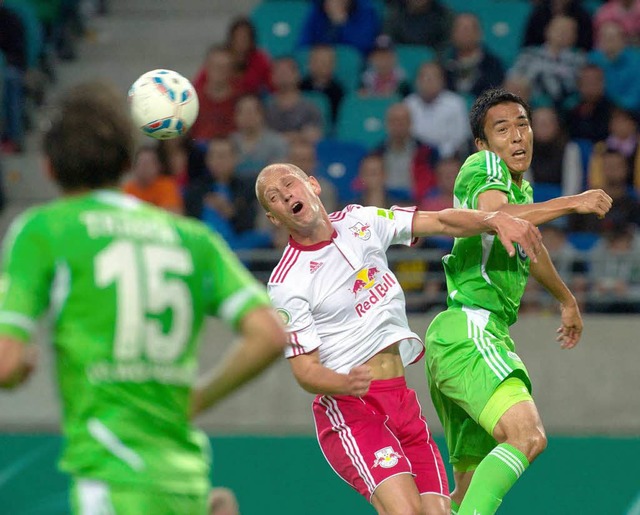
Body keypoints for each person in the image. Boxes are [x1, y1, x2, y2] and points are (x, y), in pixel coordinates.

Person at [0, 80, 287, 514]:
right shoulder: (192, 238)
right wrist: (199, 397)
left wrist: (18, 368)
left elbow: (5, 362)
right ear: (126, 163)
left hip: (113, 479)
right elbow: (269, 333)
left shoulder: (44, 230)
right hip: (186, 481)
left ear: (49, 167)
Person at [255, 161, 545, 514]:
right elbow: (305, 371)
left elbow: (439, 221)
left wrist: (493, 219)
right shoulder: (287, 282)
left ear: (313, 185)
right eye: (275, 198)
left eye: (289, 184)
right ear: (274, 218)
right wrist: (343, 382)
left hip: (400, 400)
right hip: (351, 408)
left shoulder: (360, 221)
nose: (286, 195)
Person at [423, 88, 613, 515]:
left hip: (460, 338)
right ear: (482, 143)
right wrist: (573, 201)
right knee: (527, 436)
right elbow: (501, 217)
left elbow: (532, 245)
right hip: (471, 331)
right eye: (502, 128)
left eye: (522, 124)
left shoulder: (521, 192)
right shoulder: (484, 167)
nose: (516, 136)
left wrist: (566, 299)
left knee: (466, 494)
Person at [122, 144, 184, 214]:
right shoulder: (128, 188)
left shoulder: (167, 186)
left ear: (158, 167)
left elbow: (173, 214)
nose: (144, 168)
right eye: (141, 163)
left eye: (148, 163)